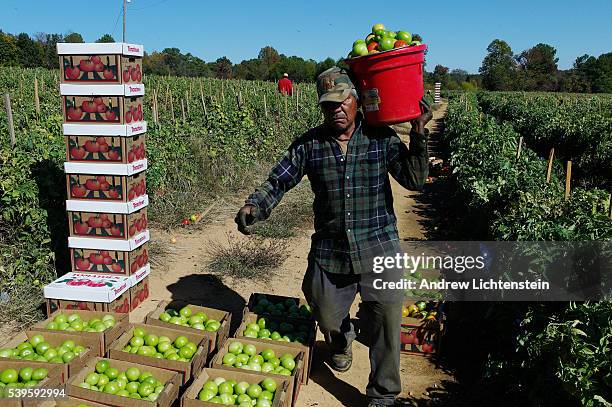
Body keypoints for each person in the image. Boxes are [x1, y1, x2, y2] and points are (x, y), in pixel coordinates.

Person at [235, 67, 431, 406]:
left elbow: (413, 181)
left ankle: (383, 393)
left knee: (387, 320)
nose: (336, 110)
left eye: (343, 102)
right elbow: (279, 180)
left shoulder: (380, 137)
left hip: (378, 246)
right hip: (331, 249)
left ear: (356, 101)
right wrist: (256, 205)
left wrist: (418, 134)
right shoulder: (310, 145)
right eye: (328, 105)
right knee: (323, 309)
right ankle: (341, 340)